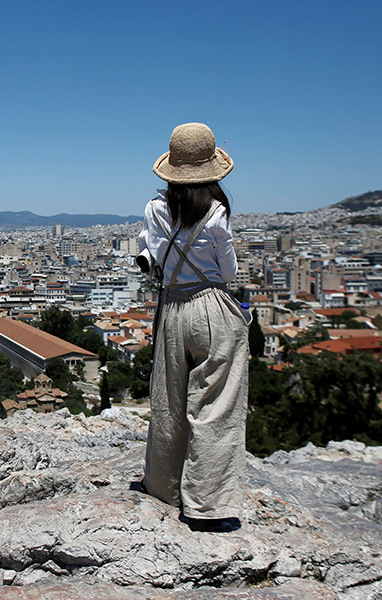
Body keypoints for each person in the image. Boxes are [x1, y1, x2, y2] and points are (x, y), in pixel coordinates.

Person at [137, 122, 250, 533]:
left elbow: (150, 254)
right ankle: (208, 505)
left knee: (168, 401)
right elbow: (228, 272)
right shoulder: (216, 213)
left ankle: (162, 487)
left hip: (171, 308)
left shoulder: (154, 209)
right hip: (210, 307)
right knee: (215, 405)